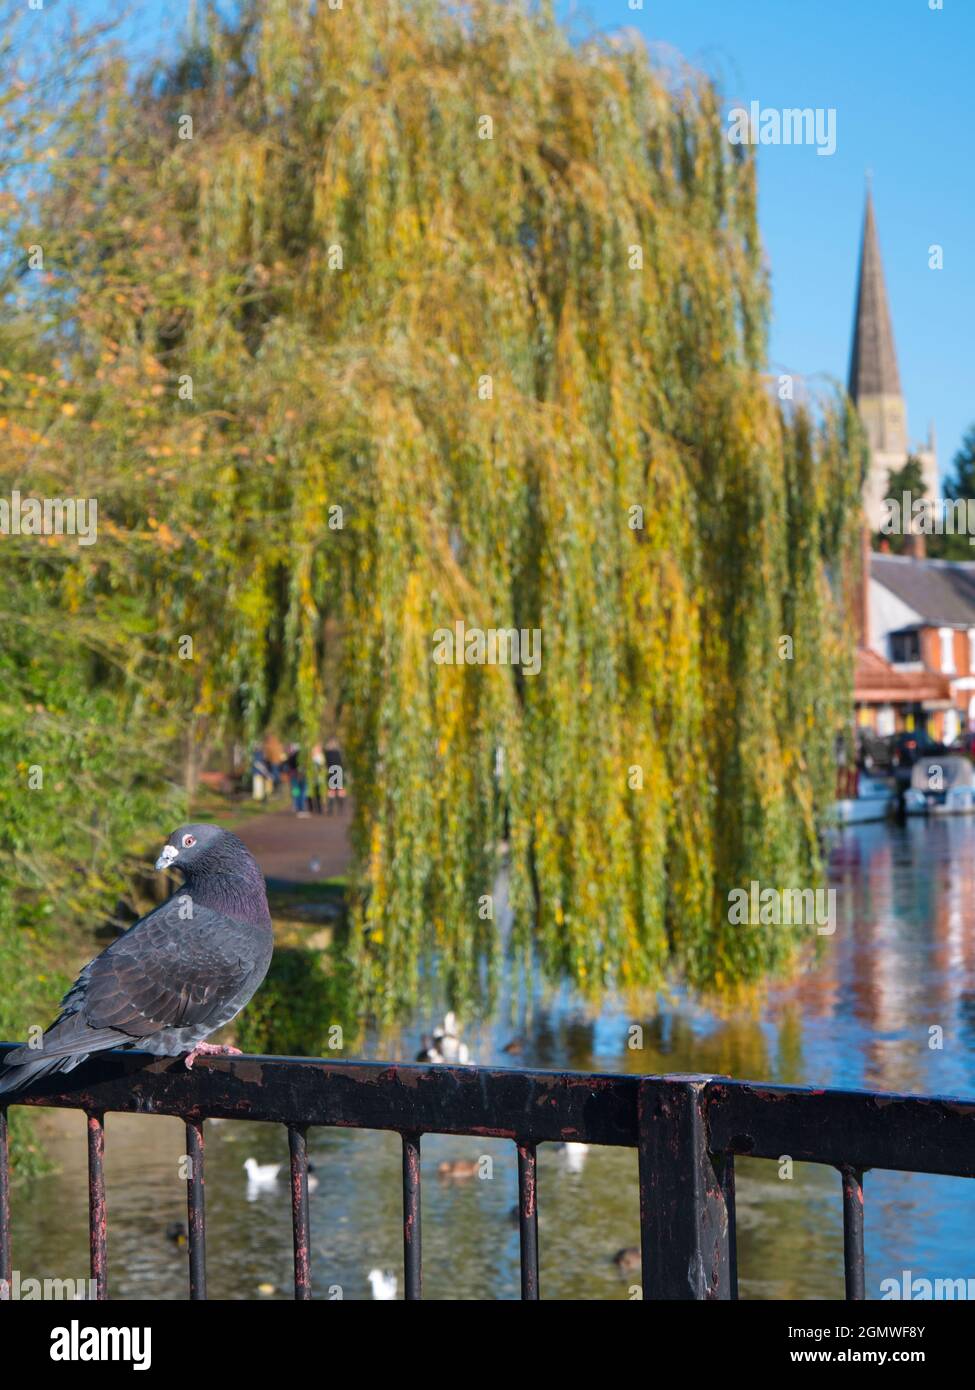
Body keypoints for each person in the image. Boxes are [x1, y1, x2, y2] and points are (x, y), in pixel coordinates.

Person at [284, 743, 309, 816]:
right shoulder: (300, 757)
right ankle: (300, 808)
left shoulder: (290, 756)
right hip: (300, 776)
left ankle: (295, 805)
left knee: (296, 791)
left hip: (294, 776)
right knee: (302, 791)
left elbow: (288, 766)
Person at [325, 736, 346, 815]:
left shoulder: (327, 752)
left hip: (332, 770)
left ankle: (331, 809)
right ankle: (341, 808)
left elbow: (327, 763)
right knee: (340, 789)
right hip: (339, 770)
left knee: (331, 790)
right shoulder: (338, 752)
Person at [308, 743, 326, 814]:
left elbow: (323, 767)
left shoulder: (321, 757)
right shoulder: (310, 757)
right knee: (311, 793)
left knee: (319, 793)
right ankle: (311, 808)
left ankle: (319, 808)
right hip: (312, 778)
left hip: (319, 778)